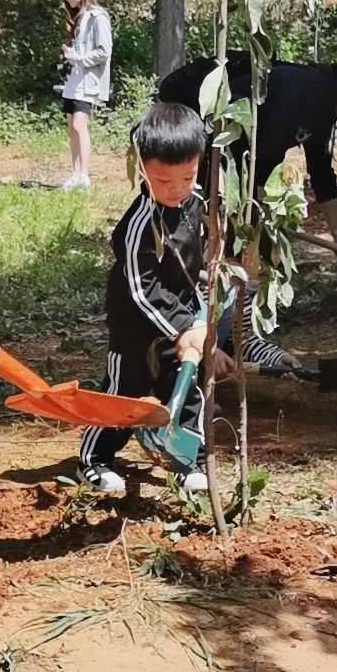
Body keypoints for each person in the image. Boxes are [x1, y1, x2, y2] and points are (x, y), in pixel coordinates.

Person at [77, 103, 237, 495]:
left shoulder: (199, 205)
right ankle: (94, 460)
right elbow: (141, 291)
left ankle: (189, 460)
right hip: (137, 327)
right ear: (143, 168)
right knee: (122, 393)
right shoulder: (136, 227)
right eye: (163, 180)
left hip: (184, 316)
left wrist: (201, 327)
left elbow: (202, 263)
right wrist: (182, 331)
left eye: (188, 176)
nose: (177, 189)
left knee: (189, 393)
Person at [156, 53, 337, 243]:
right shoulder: (311, 93)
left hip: (228, 152)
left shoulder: (326, 106)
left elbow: (321, 171)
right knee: (192, 213)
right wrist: (253, 202)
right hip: (198, 128)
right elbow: (265, 150)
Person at [58, 0, 112, 191]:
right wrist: (72, 54)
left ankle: (84, 175)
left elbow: (104, 51)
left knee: (80, 125)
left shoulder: (98, 17)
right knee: (72, 127)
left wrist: (77, 57)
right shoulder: (81, 17)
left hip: (89, 81)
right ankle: (75, 173)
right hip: (75, 80)